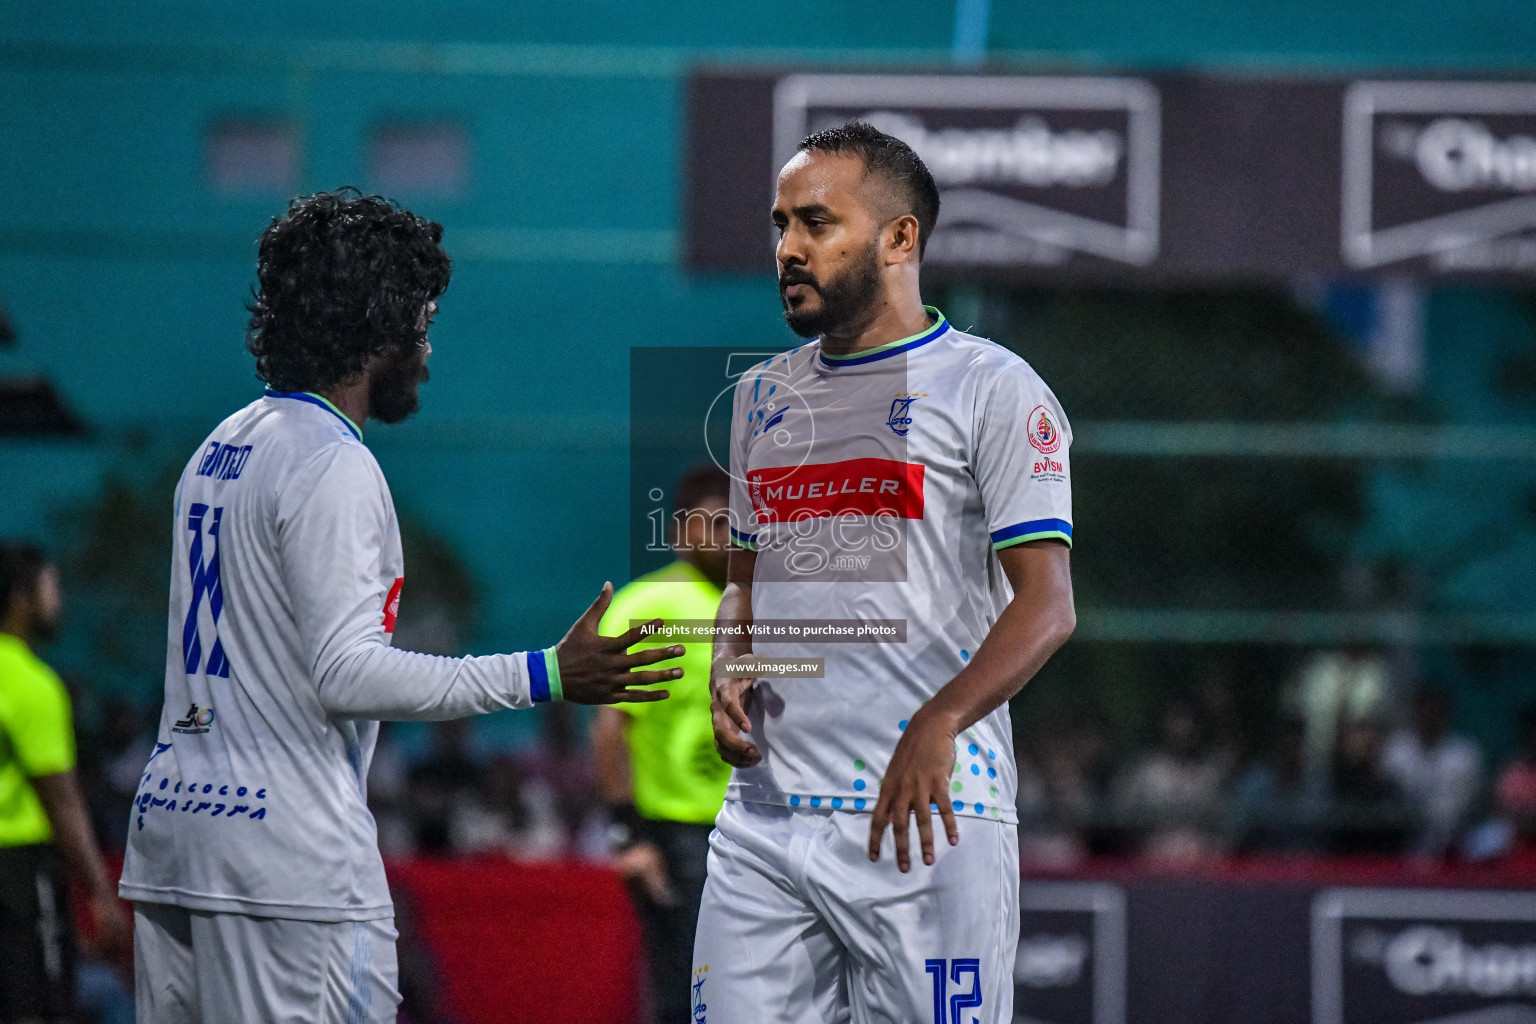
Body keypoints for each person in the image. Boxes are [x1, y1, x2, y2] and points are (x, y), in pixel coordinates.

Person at [117, 189, 685, 1024]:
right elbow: (346, 674)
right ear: (379, 329)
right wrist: (545, 673)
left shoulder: (222, 446)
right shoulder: (332, 463)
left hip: (175, 839)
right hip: (284, 863)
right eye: (423, 323)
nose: (428, 352)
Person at [698, 122, 1076, 1022]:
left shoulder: (994, 387)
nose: (789, 248)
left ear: (901, 238)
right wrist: (729, 656)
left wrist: (940, 720)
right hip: (763, 821)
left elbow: (1049, 606)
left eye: (818, 223)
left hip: (927, 816)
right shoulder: (759, 397)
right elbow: (745, 579)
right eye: (781, 224)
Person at [592, 464, 731, 1024]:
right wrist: (629, 834)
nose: (726, 537)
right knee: (685, 993)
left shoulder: (762, 605)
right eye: (713, 523)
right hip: (674, 835)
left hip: (754, 829)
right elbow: (609, 726)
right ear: (681, 531)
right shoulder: (649, 605)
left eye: (736, 524)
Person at [0, 542, 130, 1024]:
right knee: (37, 1009)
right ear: (20, 597)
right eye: (52, 588)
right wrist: (99, 891)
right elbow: (63, 801)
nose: (60, 602)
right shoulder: (32, 685)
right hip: (19, 872)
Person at [1382, 685, 1482, 857]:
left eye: (1435, 710)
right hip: (1400, 840)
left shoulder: (1464, 754)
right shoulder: (1395, 749)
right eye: (1424, 710)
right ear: (1414, 712)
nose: (1429, 716)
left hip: (1452, 842)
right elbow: (1386, 797)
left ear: (1446, 713)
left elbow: (1469, 805)